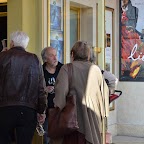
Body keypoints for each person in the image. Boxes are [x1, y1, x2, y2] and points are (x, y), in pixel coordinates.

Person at [51, 41, 109, 144]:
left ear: (72, 54)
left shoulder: (67, 68)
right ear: (88, 55)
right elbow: (104, 95)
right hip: (93, 119)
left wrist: (57, 111)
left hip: (74, 120)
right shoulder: (95, 69)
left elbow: (60, 95)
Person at [0, 31, 47, 144]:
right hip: (28, 110)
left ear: (11, 43)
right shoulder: (34, 59)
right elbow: (41, 88)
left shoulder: (2, 57)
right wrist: (42, 110)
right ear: (26, 44)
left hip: (4, 109)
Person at [41, 46, 63, 144]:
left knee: (61, 137)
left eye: (56, 55)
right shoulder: (40, 71)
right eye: (51, 56)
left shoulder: (63, 69)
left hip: (61, 109)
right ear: (45, 59)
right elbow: (35, 89)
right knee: (47, 138)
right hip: (46, 110)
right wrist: (45, 89)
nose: (55, 58)